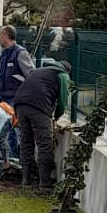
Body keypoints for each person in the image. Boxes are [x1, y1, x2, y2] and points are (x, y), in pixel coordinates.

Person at [12, 59, 70, 191]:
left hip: (20, 105)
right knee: (44, 143)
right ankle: (45, 183)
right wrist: (56, 117)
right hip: (39, 107)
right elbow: (62, 101)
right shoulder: (62, 75)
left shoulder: (39, 71)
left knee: (26, 142)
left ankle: (26, 180)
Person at [0, 26, 35, 157]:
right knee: (7, 131)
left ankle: (19, 160)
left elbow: (31, 76)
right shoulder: (3, 55)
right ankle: (11, 159)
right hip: (4, 99)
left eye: (0, 35)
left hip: (16, 99)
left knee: (15, 131)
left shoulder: (20, 53)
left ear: (6, 36)